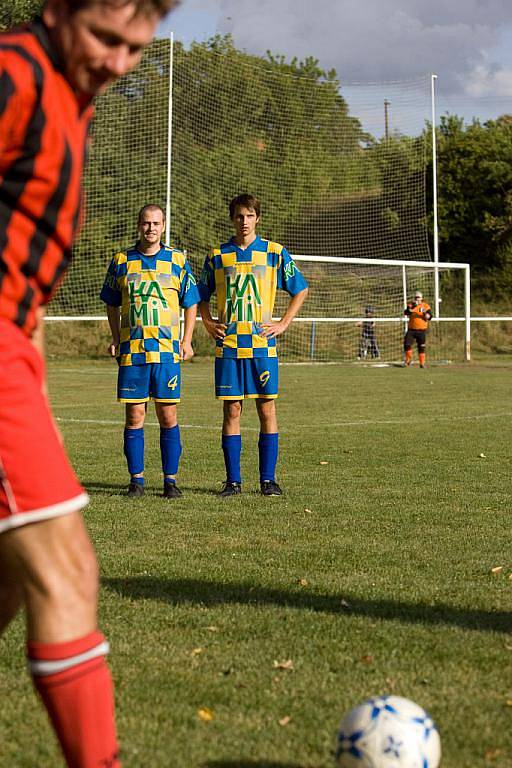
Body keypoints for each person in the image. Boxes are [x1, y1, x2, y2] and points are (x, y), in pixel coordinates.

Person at [0, 2, 177, 766]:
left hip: (15, 353)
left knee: (10, 578)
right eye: (106, 38)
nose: (117, 61)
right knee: (67, 567)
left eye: (135, 49)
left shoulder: (75, 103)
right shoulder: (12, 75)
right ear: (57, 9)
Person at [198, 193, 309, 497]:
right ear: (232, 218)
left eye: (249, 216)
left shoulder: (275, 252)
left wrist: (283, 323)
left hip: (262, 345)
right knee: (232, 410)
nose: (244, 221)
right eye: (238, 216)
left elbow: (300, 288)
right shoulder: (218, 256)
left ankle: (268, 480)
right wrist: (207, 323)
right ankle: (232, 482)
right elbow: (199, 295)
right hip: (229, 345)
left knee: (266, 408)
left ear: (257, 218)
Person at [100, 203, 199, 499]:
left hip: (167, 353)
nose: (151, 228)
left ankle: (170, 481)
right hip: (133, 353)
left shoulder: (177, 261)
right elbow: (111, 302)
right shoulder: (122, 261)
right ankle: (136, 481)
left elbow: (191, 301)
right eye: (146, 223)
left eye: (156, 223)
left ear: (164, 226)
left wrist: (187, 339)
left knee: (168, 415)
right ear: (138, 225)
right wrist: (116, 338)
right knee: (134, 416)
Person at [404, 291, 432, 368]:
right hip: (411, 329)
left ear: (421, 298)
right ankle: (408, 360)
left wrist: (423, 313)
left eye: (418, 297)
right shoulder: (410, 305)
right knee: (407, 344)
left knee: (421, 346)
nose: (417, 299)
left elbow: (429, 317)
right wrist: (412, 308)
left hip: (421, 330)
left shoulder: (425, 306)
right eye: (416, 297)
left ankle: (422, 363)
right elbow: (406, 313)